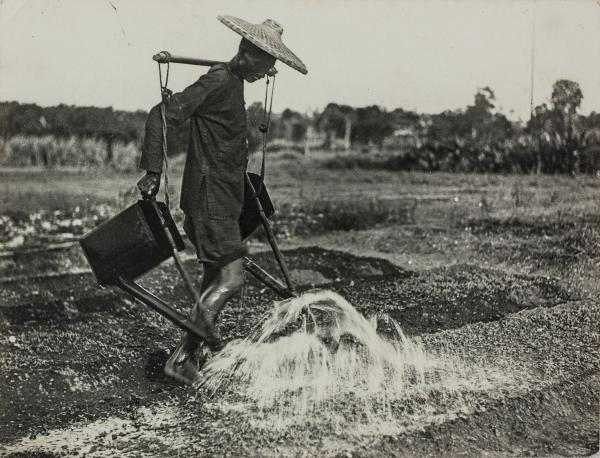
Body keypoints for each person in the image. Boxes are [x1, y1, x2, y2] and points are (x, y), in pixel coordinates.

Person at [136, 15, 307, 385]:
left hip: (223, 199)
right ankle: (182, 358)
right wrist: (152, 172)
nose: (268, 71)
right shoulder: (218, 80)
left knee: (215, 275)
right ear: (247, 54)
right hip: (209, 199)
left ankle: (190, 355)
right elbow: (160, 116)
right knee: (232, 278)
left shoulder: (232, 82)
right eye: (265, 64)